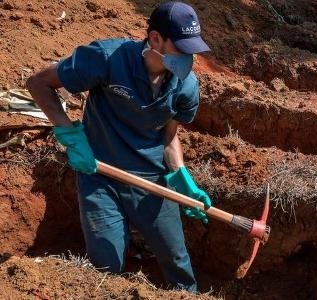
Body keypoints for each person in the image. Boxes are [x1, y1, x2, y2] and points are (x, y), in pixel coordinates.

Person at [26, 1, 212, 292]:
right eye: (182, 48)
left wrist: (180, 175)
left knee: (176, 260)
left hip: (151, 180)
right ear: (154, 39)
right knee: (106, 267)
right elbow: (38, 83)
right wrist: (70, 135)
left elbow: (169, 134)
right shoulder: (108, 58)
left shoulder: (186, 86)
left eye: (193, 49)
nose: (189, 58)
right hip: (99, 174)